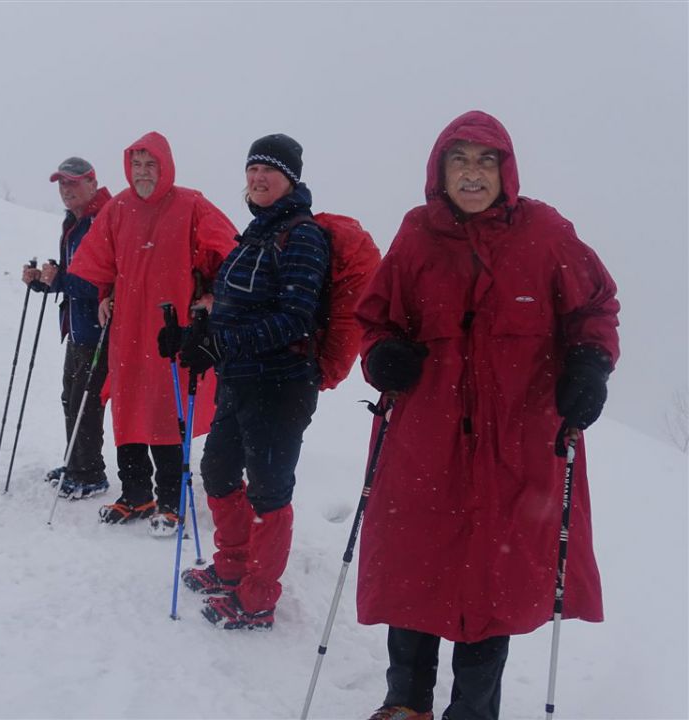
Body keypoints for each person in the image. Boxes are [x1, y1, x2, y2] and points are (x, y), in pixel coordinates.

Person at [354, 111, 620, 719]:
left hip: (516, 443)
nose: (472, 174)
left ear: (507, 170)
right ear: (439, 170)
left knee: (492, 580)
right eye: (459, 160)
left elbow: (595, 308)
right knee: (414, 567)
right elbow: (376, 319)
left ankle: (472, 712)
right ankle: (406, 703)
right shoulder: (417, 234)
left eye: (485, 161)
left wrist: (588, 366)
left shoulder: (546, 233)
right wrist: (383, 355)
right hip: (425, 437)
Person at [164, 134, 330, 631]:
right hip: (241, 381)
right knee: (217, 471)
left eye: (270, 171)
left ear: (291, 179)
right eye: (253, 169)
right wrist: (196, 333)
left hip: (281, 386)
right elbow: (237, 307)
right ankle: (233, 566)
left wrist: (221, 346)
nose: (258, 178)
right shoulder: (258, 232)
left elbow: (296, 318)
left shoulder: (302, 236)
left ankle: (258, 598)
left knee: (268, 489)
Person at [67, 131, 237, 537]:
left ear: (165, 167)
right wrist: (106, 293)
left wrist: (212, 296)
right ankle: (135, 493)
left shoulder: (191, 204)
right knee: (127, 407)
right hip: (127, 327)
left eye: (150, 165)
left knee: (166, 409)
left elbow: (231, 252)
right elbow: (104, 258)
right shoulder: (119, 208)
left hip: (170, 327)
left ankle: (171, 500)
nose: (143, 173)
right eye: (136, 165)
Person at [21, 156, 112, 500]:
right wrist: (46, 282)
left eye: (73, 183)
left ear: (92, 182)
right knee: (70, 399)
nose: (66, 189)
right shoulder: (74, 223)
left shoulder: (103, 219)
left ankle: (90, 473)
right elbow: (76, 277)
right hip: (76, 328)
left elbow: (106, 280)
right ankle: (76, 464)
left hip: (99, 329)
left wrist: (63, 279)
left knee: (86, 401)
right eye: (61, 184)